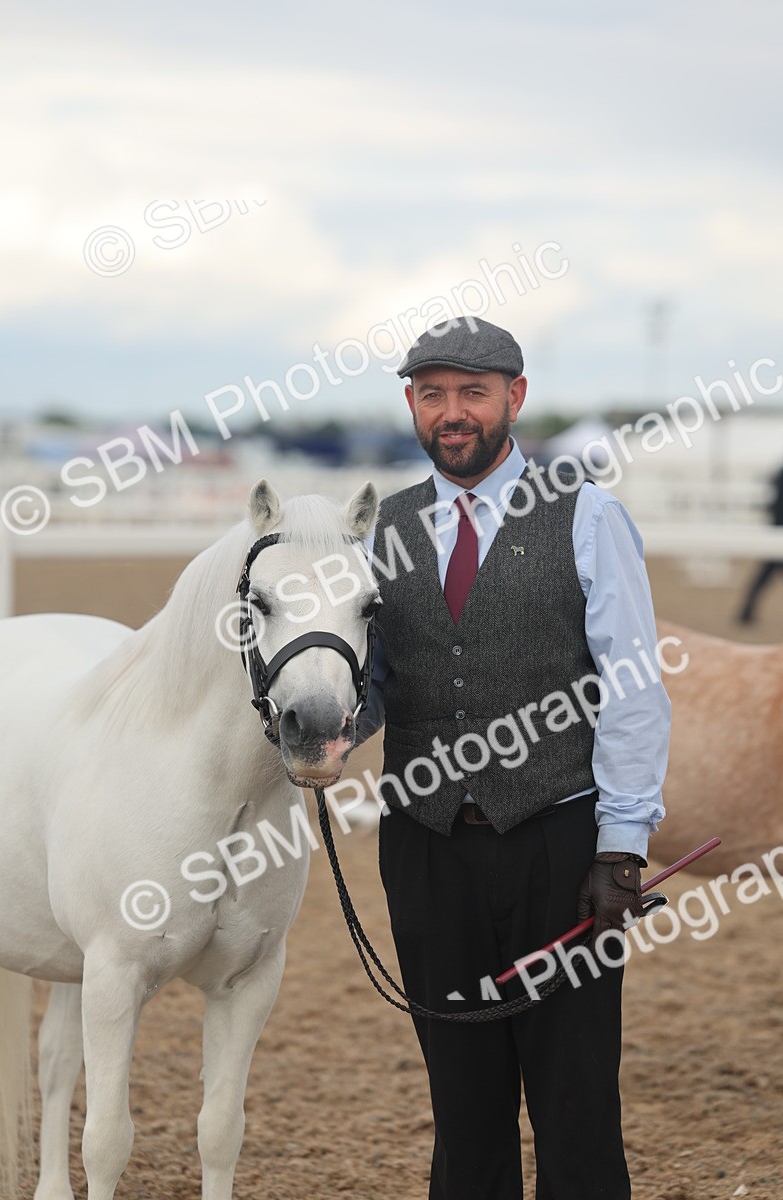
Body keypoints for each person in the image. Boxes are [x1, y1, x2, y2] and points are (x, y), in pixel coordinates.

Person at [356, 316, 670, 1200]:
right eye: (433, 395)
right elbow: (381, 678)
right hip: (425, 847)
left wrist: (620, 847)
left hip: (559, 844)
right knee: (462, 1105)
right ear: (413, 406)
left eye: (472, 394)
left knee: (573, 1104)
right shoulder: (388, 525)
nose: (452, 414)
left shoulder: (589, 513)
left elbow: (634, 689)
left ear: (514, 398)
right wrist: (332, 724)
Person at [736, 463, 783, 624]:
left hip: (776, 531)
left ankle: (746, 613)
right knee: (763, 576)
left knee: (763, 577)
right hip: (777, 532)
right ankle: (745, 613)